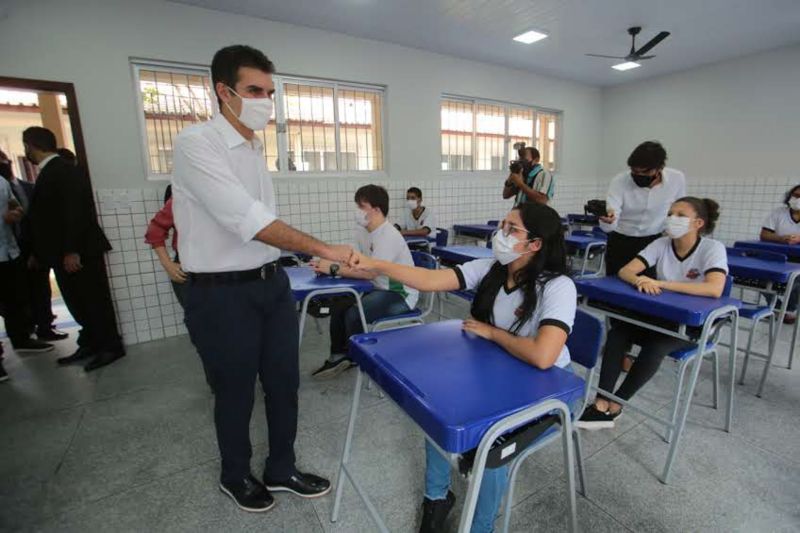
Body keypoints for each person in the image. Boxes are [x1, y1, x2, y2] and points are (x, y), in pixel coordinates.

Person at [172, 44, 353, 513]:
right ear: (223, 91)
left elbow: (262, 228)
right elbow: (246, 218)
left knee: (283, 381)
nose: (265, 101)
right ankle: (235, 474)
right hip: (221, 293)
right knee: (234, 389)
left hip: (270, 284)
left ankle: (282, 468)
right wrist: (321, 247)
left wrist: (296, 262)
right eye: (255, 90)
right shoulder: (197, 144)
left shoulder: (254, 148)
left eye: (271, 92)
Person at [349, 202, 575, 533]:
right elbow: (428, 279)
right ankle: (436, 498)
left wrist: (492, 332)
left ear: (535, 243)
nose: (501, 234)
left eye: (512, 229)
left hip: (546, 391)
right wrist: (376, 264)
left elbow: (543, 356)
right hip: (499, 374)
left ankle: (481, 527)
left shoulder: (557, 287)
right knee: (442, 410)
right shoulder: (491, 269)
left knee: (490, 445)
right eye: (502, 225)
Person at [578, 197, 727, 429]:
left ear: (698, 223)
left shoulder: (712, 248)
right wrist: (639, 280)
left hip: (692, 325)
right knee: (618, 334)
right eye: (670, 213)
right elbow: (625, 271)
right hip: (659, 316)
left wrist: (662, 284)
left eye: (680, 215)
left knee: (655, 346)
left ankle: (617, 405)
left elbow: (714, 288)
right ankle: (601, 401)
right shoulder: (661, 244)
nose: (672, 219)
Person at [23, 126, 124, 372]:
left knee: (93, 301)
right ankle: (91, 343)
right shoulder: (51, 173)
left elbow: (75, 213)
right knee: (78, 302)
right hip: (63, 253)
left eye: (26, 146)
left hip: (79, 252)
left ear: (32, 145)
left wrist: (71, 250)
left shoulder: (64, 171)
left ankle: (110, 347)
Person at [311, 184, 419, 379]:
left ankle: (359, 358)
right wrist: (330, 261)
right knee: (339, 307)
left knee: (354, 314)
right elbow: (356, 261)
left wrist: (333, 269)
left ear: (376, 210)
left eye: (361, 207)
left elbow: (370, 273)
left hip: (399, 294)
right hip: (378, 288)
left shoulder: (388, 236)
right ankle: (339, 355)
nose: (357, 211)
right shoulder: (364, 232)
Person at [0, 150, 66, 341]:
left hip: (21, 248)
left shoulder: (16, 186)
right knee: (14, 297)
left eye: (4, 161)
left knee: (36, 291)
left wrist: (16, 212)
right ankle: (23, 332)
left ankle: (41, 328)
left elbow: (24, 212)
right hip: (11, 249)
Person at [599, 141, 686, 276]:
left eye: (644, 172)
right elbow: (612, 211)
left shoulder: (676, 179)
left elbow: (681, 208)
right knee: (615, 284)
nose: (638, 175)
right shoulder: (619, 181)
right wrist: (608, 220)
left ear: (660, 168)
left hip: (653, 242)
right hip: (621, 240)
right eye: (634, 171)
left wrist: (676, 233)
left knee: (647, 284)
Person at [1, 175, 55, 376]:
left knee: (15, 299)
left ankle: (21, 338)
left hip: (9, 251)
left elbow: (16, 206)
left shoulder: (3, 183)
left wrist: (15, 213)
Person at [759, 184, 800, 323]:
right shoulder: (778, 213)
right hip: (776, 256)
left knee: (797, 282)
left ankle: (789, 308)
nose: (797, 199)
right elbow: (764, 235)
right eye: (795, 195)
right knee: (759, 278)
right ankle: (776, 308)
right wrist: (781, 238)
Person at [144, 188, 186, 307]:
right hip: (187, 267)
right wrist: (167, 264)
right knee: (197, 319)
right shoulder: (182, 197)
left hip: (224, 268)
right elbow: (154, 230)